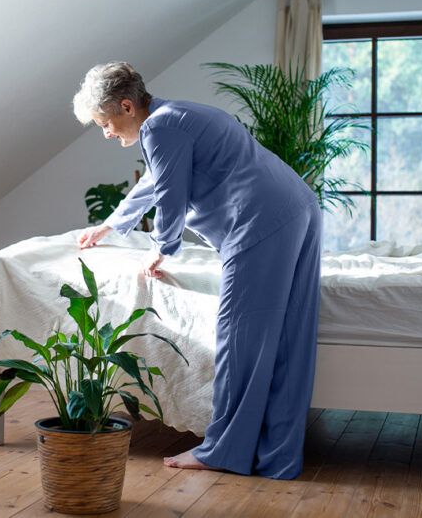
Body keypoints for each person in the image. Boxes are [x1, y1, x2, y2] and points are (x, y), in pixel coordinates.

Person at [72, 61, 322, 480]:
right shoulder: (174, 116)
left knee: (239, 334)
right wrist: (112, 224)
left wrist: (162, 249)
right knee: (287, 340)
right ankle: (278, 455)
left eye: (104, 123)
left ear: (127, 106)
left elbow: (170, 196)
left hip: (259, 219)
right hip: (297, 206)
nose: (107, 133)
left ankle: (224, 450)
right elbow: (155, 181)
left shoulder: (160, 128)